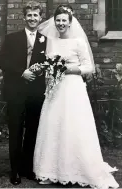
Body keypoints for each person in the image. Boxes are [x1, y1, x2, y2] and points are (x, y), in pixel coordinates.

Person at [33, 4, 119, 189]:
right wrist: (50, 70)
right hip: (55, 89)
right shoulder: (49, 41)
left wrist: (69, 68)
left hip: (73, 88)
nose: (61, 23)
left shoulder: (78, 41)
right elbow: (45, 63)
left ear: (70, 22)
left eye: (64, 20)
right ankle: (50, 171)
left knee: (73, 125)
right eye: (58, 20)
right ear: (54, 22)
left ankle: (76, 169)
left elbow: (89, 67)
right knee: (53, 124)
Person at [0, 1, 47, 185]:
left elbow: (47, 64)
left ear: (40, 17)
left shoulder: (44, 40)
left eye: (36, 15)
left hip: (35, 93)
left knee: (32, 131)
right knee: (16, 130)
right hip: (16, 91)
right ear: (24, 17)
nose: (32, 18)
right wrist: (21, 72)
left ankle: (27, 168)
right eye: (29, 15)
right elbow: (1, 61)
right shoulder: (12, 38)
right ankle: (15, 171)